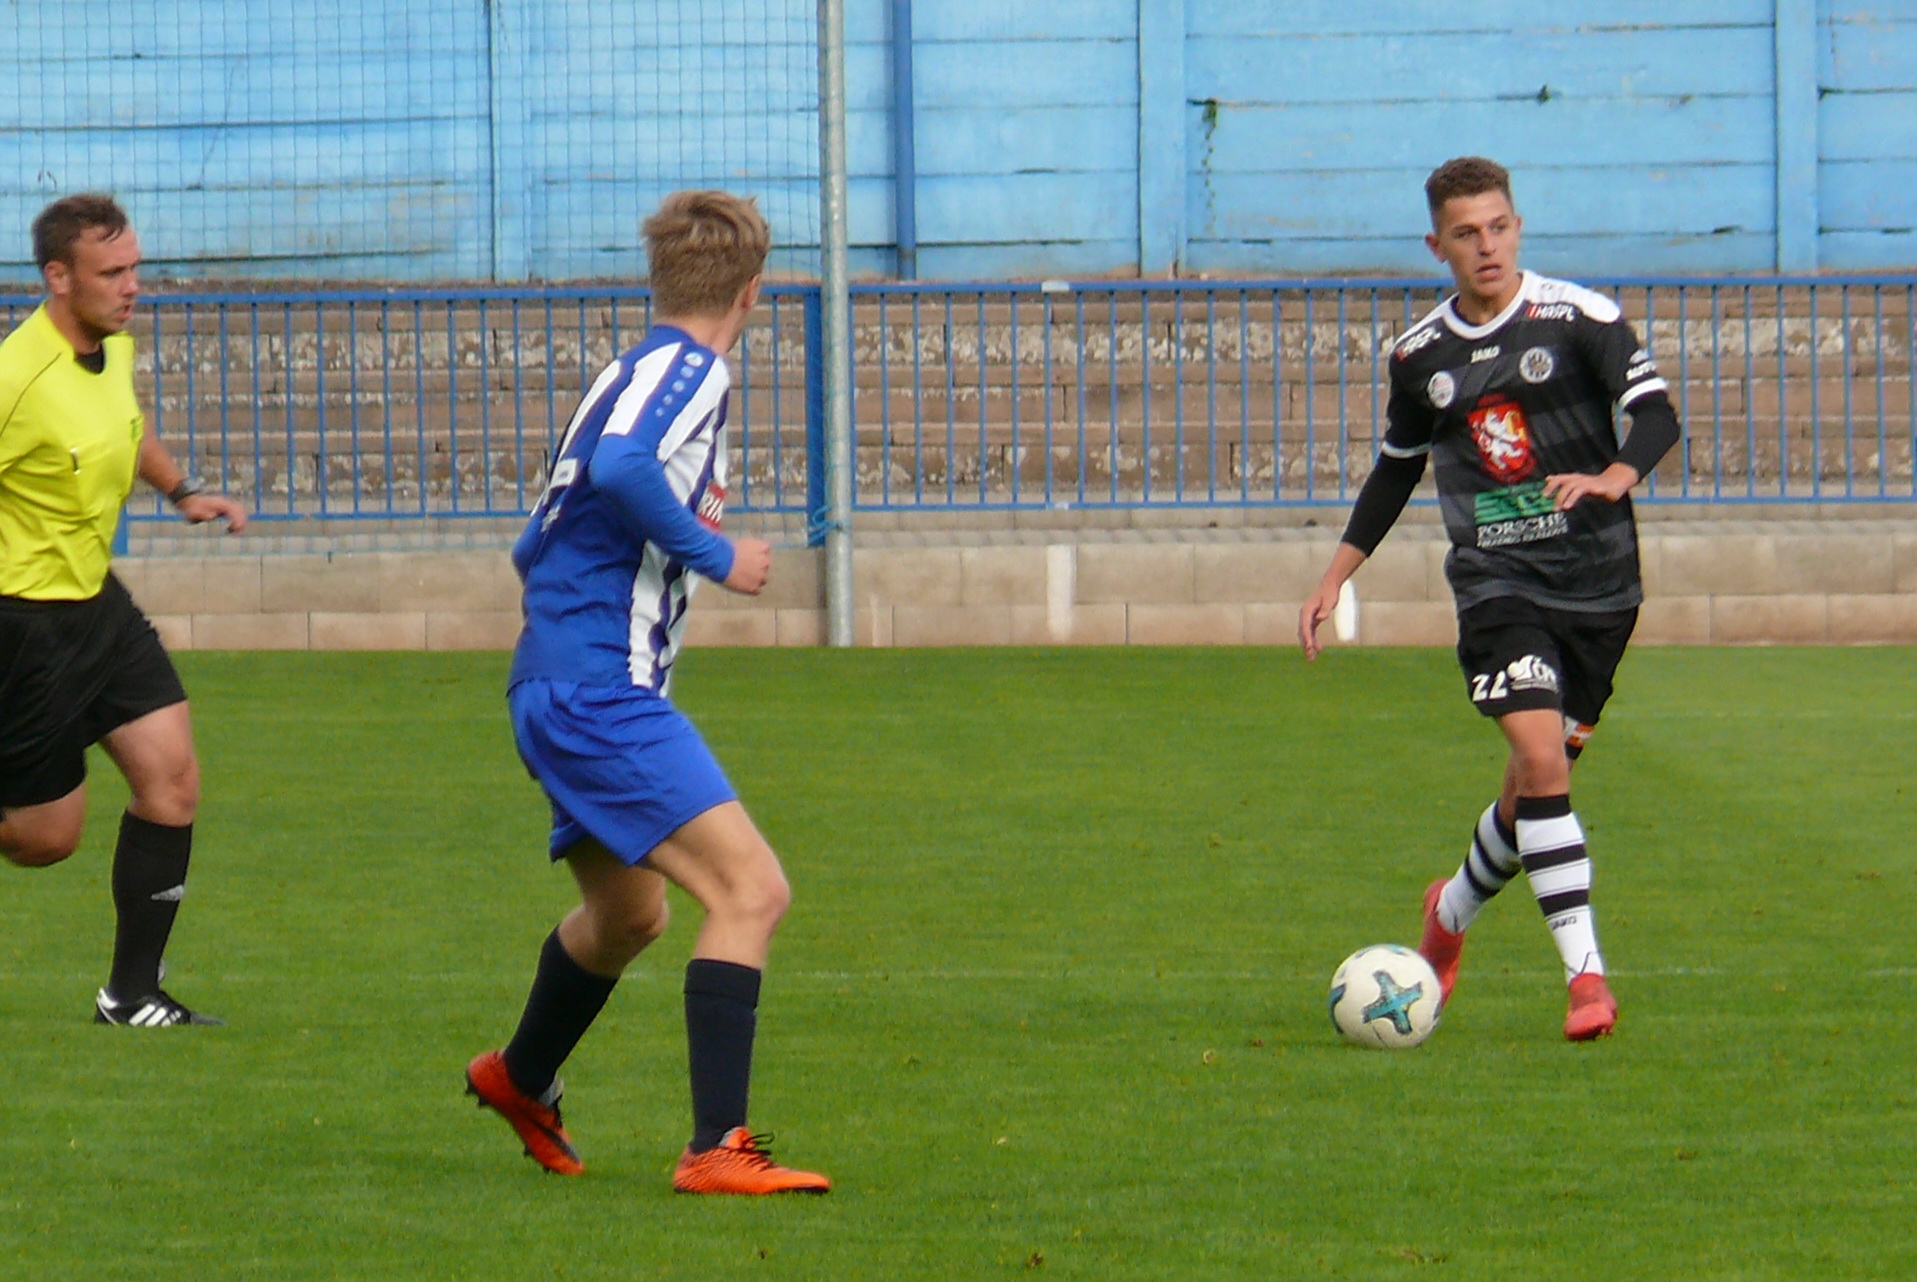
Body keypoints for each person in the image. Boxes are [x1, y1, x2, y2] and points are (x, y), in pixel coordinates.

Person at [465, 190, 828, 1193]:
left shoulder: (625, 373)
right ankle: (717, 1149)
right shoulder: (692, 370)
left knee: (630, 915)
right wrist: (714, 553)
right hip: (597, 690)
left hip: (551, 682)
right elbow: (624, 467)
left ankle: (519, 1076)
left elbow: (532, 541)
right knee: (751, 891)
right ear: (751, 293)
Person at [1297, 157, 1681, 1042]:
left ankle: (1447, 915)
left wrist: (1617, 475)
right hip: (1495, 584)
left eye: (1498, 227)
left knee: (1529, 790)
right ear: (1436, 245)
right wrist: (1334, 575)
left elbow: (1656, 414)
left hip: (1600, 588)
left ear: (1517, 227)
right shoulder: (1419, 357)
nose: (1487, 246)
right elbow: (1395, 471)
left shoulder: (1578, 319)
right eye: (1466, 233)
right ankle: (1585, 982)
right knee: (1542, 762)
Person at [0, 193, 248, 1026]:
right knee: (44, 841)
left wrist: (183, 491)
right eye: (112, 273)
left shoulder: (114, 348)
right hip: (24, 625)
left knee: (172, 781)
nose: (132, 285)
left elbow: (127, 430)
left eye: (135, 268)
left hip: (97, 607)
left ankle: (131, 994)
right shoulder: (16, 377)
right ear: (58, 277)